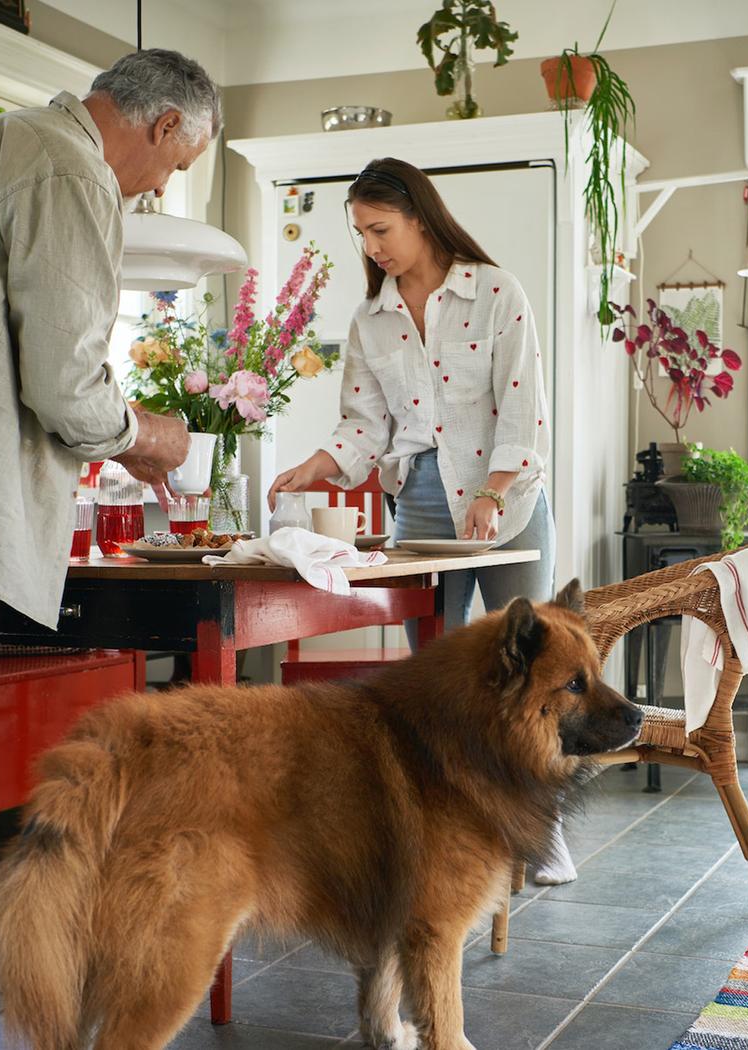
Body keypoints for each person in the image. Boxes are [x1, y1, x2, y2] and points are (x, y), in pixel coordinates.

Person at [0, 49, 220, 1050]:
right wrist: (156, 435)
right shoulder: (64, 165)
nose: (162, 187)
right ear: (161, 126)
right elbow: (69, 389)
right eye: (176, 164)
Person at [268, 157, 577, 884]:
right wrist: (318, 463)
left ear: (420, 217)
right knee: (438, 677)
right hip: (421, 505)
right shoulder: (371, 319)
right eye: (362, 233)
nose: (372, 246)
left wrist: (494, 491)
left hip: (504, 501)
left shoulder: (495, 292)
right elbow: (363, 426)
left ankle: (544, 829)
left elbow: (523, 405)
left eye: (381, 229)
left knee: (535, 673)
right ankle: (449, 832)